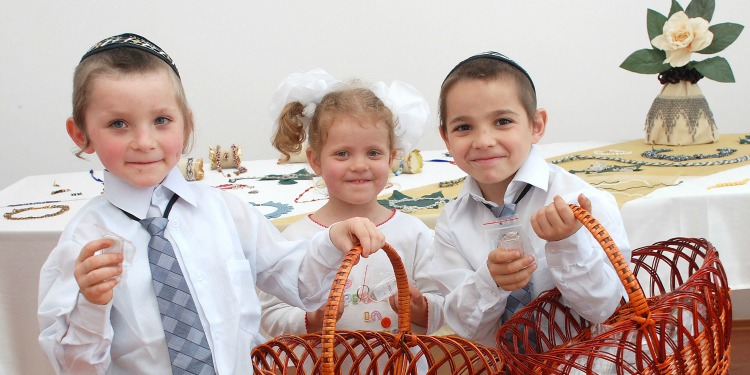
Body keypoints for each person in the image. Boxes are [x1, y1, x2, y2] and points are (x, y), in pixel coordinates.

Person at [37, 33, 384, 375]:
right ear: (81, 134)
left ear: (187, 125)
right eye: (118, 124)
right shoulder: (83, 244)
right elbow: (75, 366)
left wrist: (332, 241)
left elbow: (294, 277)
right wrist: (89, 306)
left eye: (161, 120)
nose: (144, 142)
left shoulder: (223, 212)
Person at [431, 51, 632, 348]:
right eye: (463, 127)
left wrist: (568, 244)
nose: (484, 140)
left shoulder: (580, 202)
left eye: (502, 121)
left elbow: (604, 308)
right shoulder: (452, 222)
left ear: (536, 125)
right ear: (446, 138)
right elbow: (464, 327)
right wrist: (490, 281)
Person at [260, 72, 443, 340]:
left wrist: (420, 308)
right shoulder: (296, 239)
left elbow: (443, 306)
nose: (359, 165)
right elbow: (269, 317)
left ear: (391, 158)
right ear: (315, 160)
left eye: (373, 153)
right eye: (342, 153)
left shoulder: (414, 233)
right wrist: (312, 319)